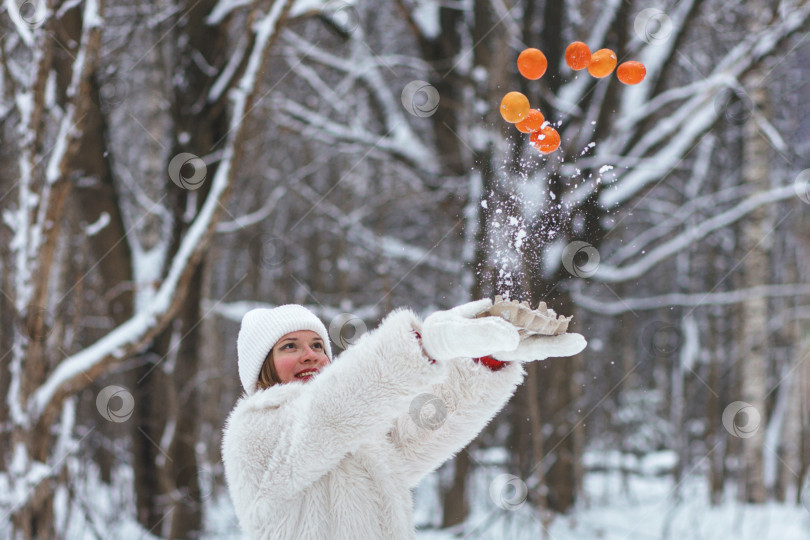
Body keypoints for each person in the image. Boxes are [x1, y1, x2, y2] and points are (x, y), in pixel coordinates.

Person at [221, 299, 586, 540]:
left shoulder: (356, 434)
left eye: (318, 345)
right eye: (290, 346)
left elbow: (423, 428)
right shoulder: (254, 429)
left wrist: (485, 359)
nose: (310, 355)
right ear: (262, 365)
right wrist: (425, 345)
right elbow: (325, 415)